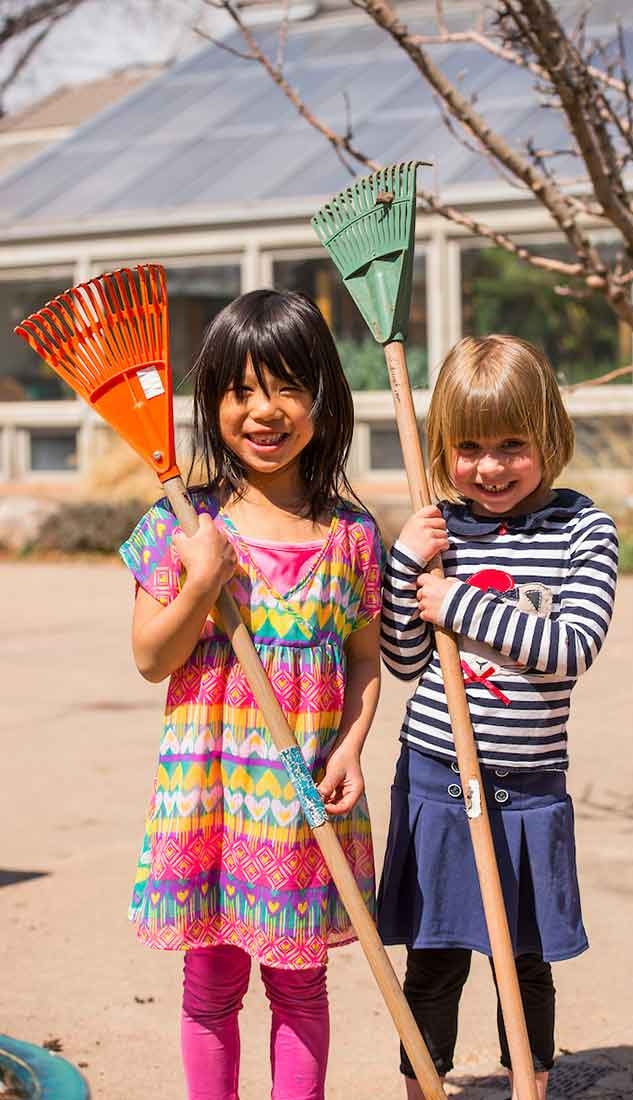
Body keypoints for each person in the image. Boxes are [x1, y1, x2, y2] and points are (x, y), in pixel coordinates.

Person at [119, 289, 383, 1100]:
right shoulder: (182, 527)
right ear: (213, 404)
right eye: (239, 390)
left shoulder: (351, 537)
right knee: (211, 986)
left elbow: (366, 662)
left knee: (300, 986)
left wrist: (351, 745)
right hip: (212, 799)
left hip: (304, 797)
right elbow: (151, 659)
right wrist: (201, 580)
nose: (263, 411)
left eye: (286, 387)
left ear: (323, 399)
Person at [378, 334, 618, 1100]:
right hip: (437, 775)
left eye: (512, 444)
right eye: (469, 447)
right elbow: (405, 660)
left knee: (523, 960)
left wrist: (462, 604)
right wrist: (406, 565)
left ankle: (529, 1083)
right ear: (443, 447)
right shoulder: (439, 530)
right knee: (435, 959)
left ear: (548, 435)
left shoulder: (584, 530)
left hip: (527, 785)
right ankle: (424, 1086)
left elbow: (571, 647)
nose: (490, 466)